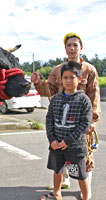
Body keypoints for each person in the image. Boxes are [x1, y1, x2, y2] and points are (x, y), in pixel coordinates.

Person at [31, 32, 100, 199]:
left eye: (75, 45)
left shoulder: (89, 69)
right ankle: (63, 182)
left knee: (84, 156)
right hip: (62, 121)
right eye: (69, 45)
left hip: (81, 122)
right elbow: (50, 91)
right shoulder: (57, 70)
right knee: (60, 155)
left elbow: (94, 94)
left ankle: (86, 188)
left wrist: (93, 120)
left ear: (81, 48)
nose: (72, 48)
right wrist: (38, 83)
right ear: (65, 48)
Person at [40, 61, 92, 200]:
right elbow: (49, 120)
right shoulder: (56, 99)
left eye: (72, 77)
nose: (68, 81)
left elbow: (85, 124)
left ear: (79, 79)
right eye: (65, 77)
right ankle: (57, 193)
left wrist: (68, 141)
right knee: (58, 170)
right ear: (61, 79)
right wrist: (52, 140)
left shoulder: (84, 100)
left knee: (80, 173)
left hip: (75, 147)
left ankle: (86, 197)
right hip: (56, 146)